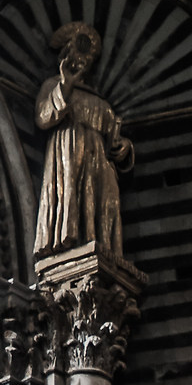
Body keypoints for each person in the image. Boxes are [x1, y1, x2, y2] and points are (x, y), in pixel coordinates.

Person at [34, 21, 133, 261]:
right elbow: (43, 118)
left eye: (87, 56)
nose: (82, 60)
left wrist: (124, 148)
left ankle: (103, 247)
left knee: (103, 206)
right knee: (72, 196)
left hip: (101, 164)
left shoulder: (100, 100)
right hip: (68, 154)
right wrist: (65, 86)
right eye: (77, 52)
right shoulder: (53, 86)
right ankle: (69, 245)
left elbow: (114, 139)